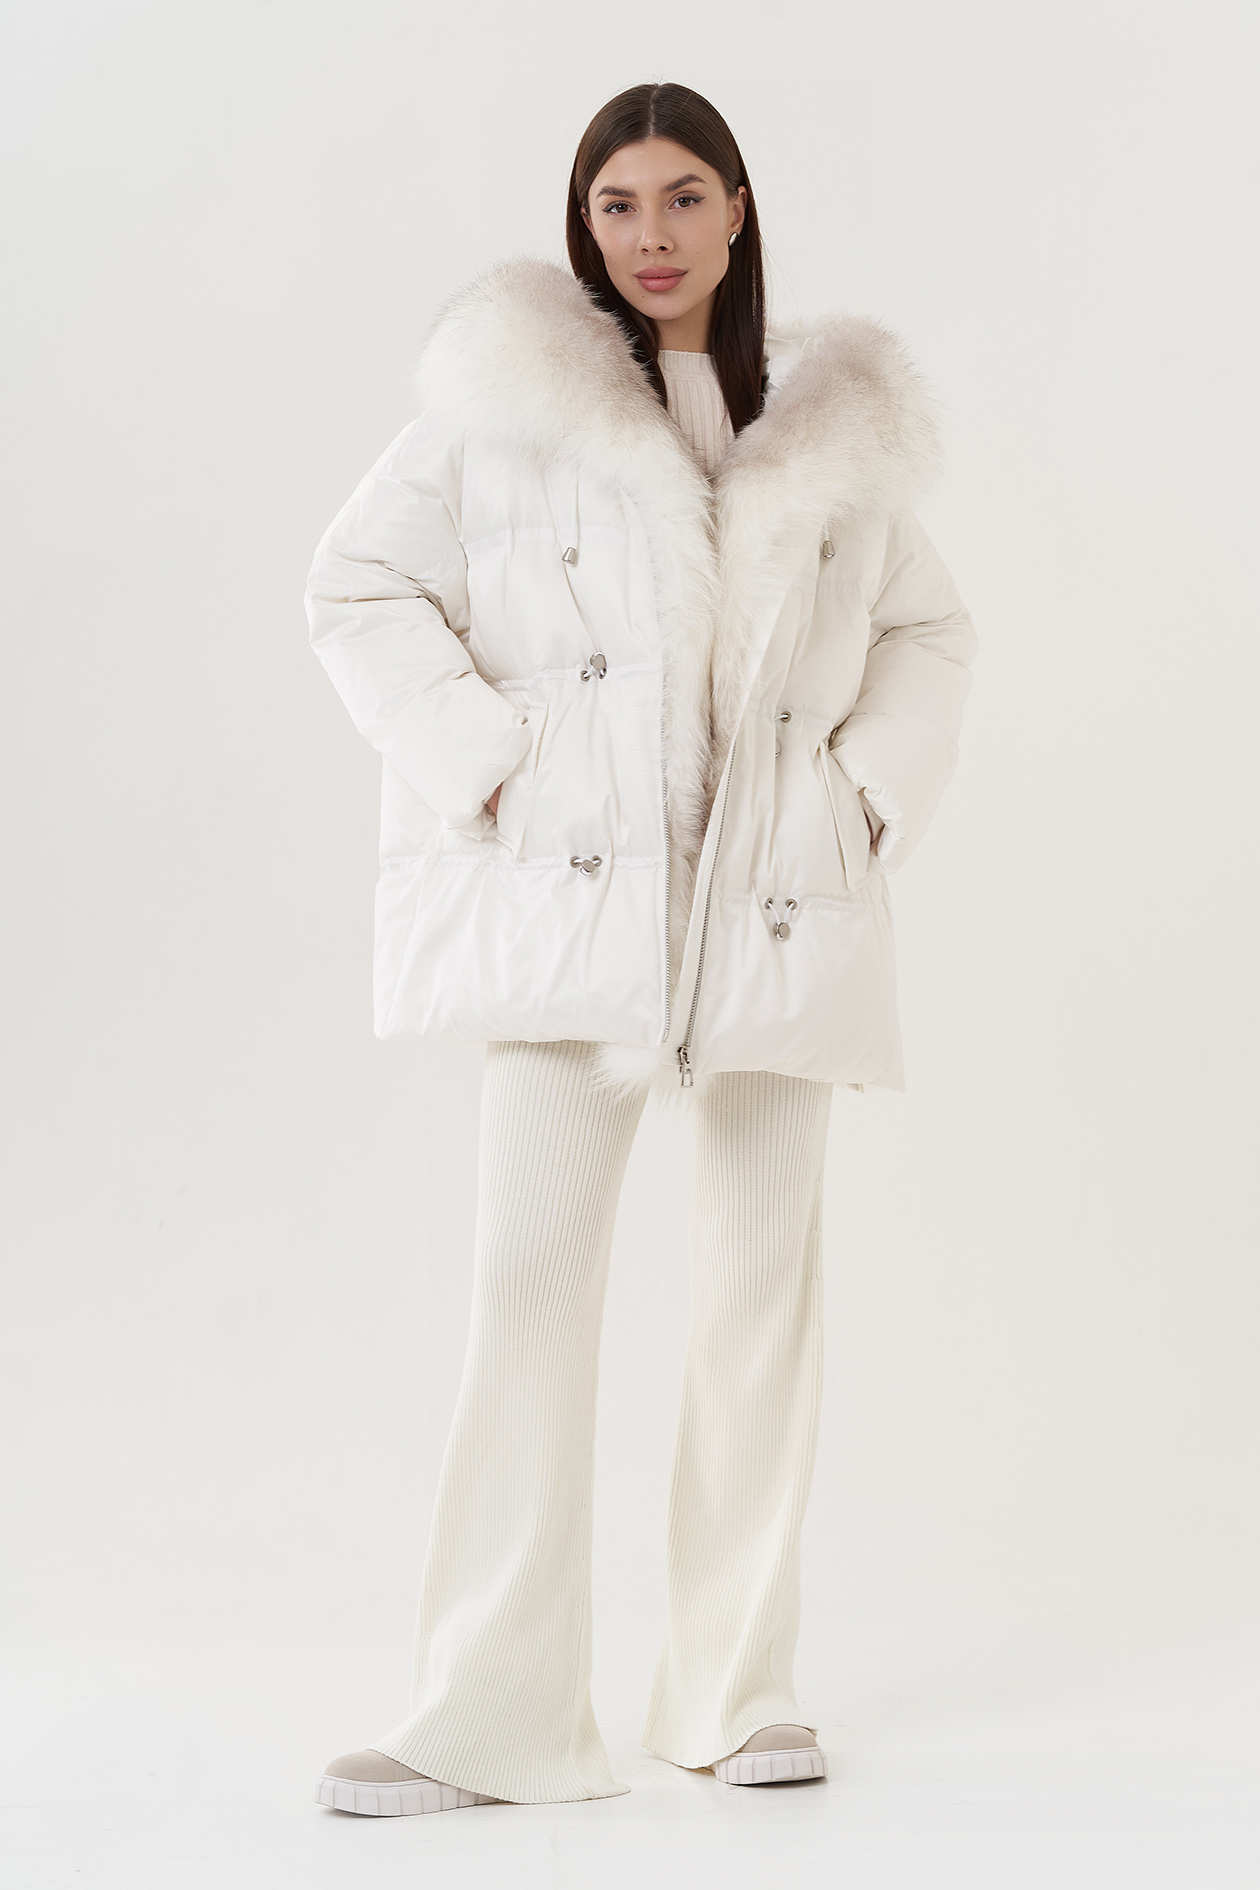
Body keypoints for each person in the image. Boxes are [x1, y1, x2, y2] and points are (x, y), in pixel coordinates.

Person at [304, 80, 977, 1816]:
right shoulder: (505, 412)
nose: (653, 234)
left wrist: (861, 795)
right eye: (619, 203)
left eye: (685, 197)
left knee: (760, 1303)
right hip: (569, 909)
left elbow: (929, 628)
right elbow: (357, 586)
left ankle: (734, 1691)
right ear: (583, 221)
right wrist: (489, 762)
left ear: (738, 211)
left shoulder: (823, 433)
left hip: (770, 915)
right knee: (525, 1294)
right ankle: (489, 1714)